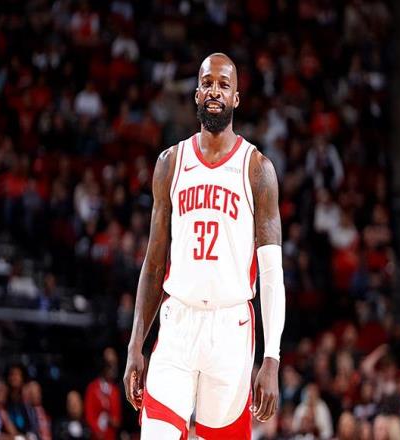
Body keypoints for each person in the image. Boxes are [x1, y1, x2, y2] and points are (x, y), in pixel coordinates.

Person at [123, 53, 285, 439]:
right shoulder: (170, 163)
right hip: (178, 321)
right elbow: (153, 262)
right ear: (196, 93)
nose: (214, 91)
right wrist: (135, 344)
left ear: (236, 98)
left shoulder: (257, 169)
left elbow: (271, 273)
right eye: (207, 83)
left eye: (223, 85)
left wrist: (272, 358)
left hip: (231, 329)